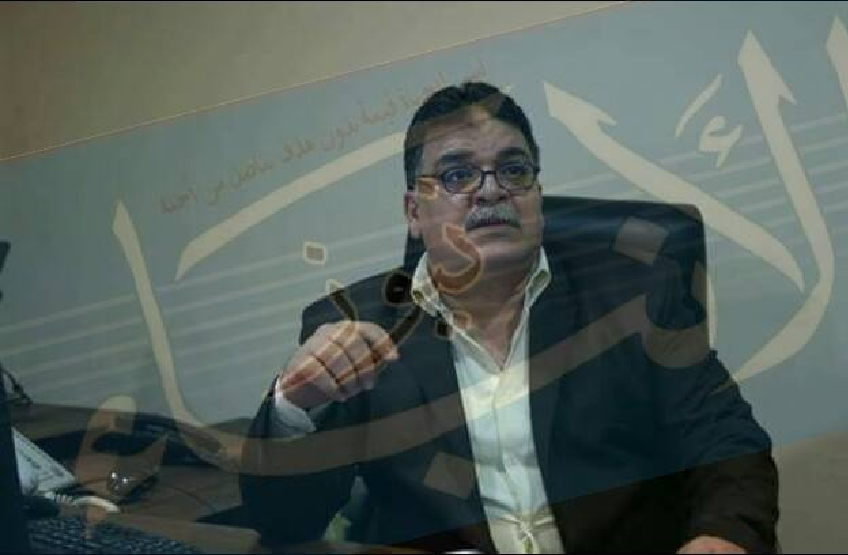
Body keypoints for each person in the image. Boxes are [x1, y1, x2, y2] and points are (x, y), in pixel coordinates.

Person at [239, 82, 779, 554]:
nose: (491, 189)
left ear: (536, 194)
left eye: (514, 170)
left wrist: (724, 536)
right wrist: (294, 407)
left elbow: (726, 442)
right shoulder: (356, 325)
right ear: (413, 212)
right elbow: (286, 523)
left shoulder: (635, 295)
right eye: (457, 174)